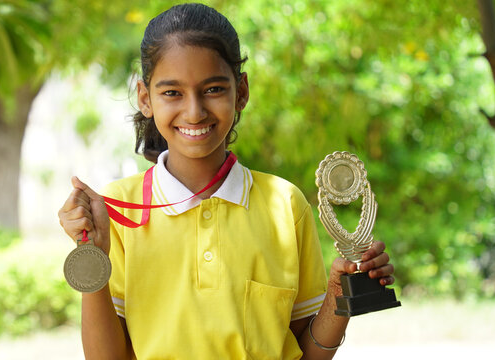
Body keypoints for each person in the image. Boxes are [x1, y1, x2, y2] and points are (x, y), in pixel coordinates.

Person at [58, 3, 395, 359]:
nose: (194, 111)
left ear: (242, 92)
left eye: (213, 89)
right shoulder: (118, 211)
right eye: (172, 93)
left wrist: (339, 297)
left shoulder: (285, 204)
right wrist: (92, 255)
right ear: (146, 98)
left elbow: (308, 353)